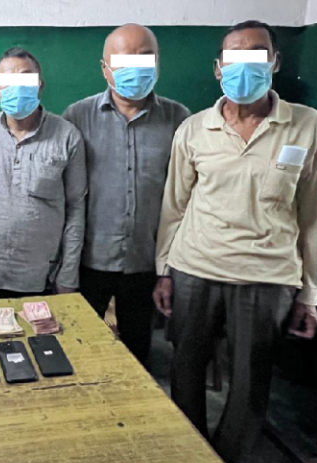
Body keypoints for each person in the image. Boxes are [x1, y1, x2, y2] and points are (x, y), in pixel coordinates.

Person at [153, 20, 317, 463]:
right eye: (234, 58)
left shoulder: (308, 126)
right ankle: (192, 459)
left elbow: (315, 216)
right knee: (185, 368)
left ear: (275, 62)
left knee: (251, 382)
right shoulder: (195, 129)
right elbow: (174, 205)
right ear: (218, 68)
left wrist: (309, 295)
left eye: (256, 55)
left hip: (267, 278)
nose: (244, 68)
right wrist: (164, 270)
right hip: (195, 268)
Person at [63, 24, 190, 363]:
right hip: (89, 259)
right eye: (122, 61)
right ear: (105, 68)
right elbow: (68, 197)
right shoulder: (77, 117)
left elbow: (185, 199)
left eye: (144, 58)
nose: (134, 69)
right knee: (80, 352)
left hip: (146, 260)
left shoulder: (179, 119)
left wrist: (168, 270)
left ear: (158, 63)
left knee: (137, 352)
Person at [0, 48, 86, 300]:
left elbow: (76, 209)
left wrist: (68, 275)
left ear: (40, 85)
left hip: (43, 278)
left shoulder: (68, 136)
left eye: (25, 78)